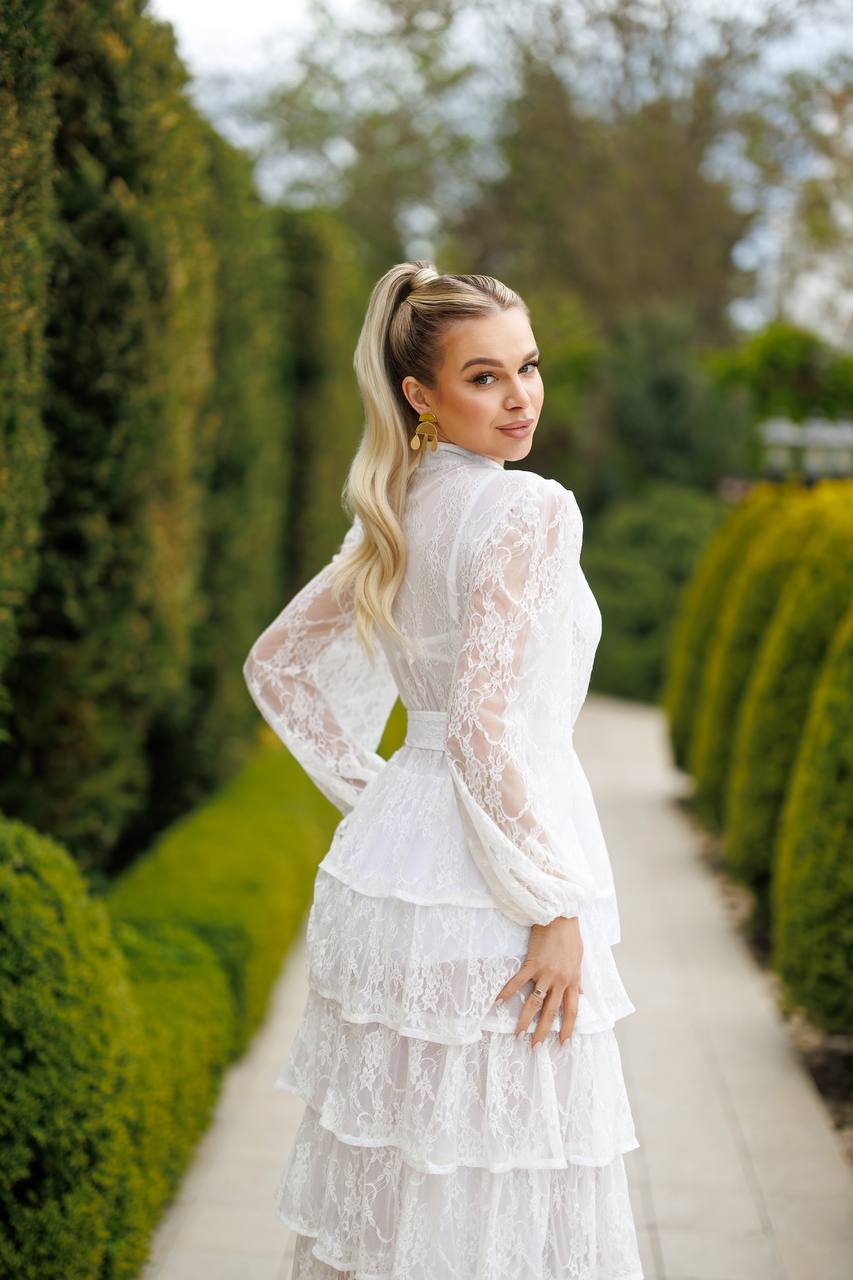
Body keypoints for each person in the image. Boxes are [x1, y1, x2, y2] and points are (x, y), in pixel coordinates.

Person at [242, 261, 643, 1279]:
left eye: (528, 367)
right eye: (483, 376)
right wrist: (554, 905)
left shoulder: (398, 505)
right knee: (503, 1182)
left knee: (407, 1180)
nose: (520, 398)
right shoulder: (529, 509)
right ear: (420, 394)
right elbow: (479, 728)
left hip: (403, 869)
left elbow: (277, 665)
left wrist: (383, 800)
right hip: (491, 888)